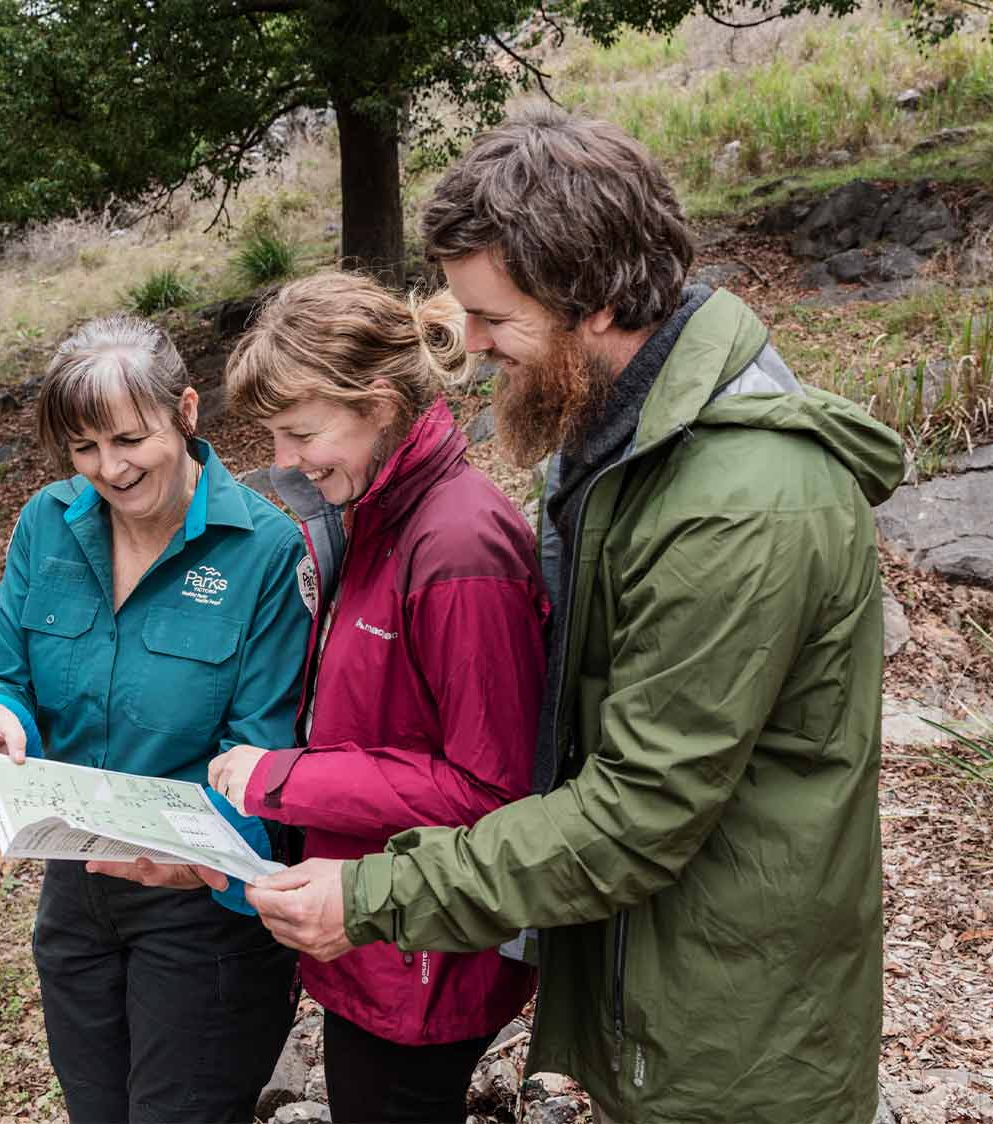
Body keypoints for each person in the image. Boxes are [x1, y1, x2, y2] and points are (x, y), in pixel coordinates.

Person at [244, 106, 906, 1124]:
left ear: (592, 298)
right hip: (668, 979)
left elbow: (636, 813)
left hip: (739, 1031)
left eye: (493, 318)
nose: (465, 345)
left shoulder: (735, 502)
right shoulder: (627, 441)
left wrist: (373, 894)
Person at [0, 315, 307, 1124]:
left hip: (200, 908)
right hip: (75, 894)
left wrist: (196, 857)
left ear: (188, 411)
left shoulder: (268, 551)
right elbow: (3, 672)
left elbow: (267, 749)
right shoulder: (46, 523)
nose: (111, 469)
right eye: (84, 449)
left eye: (130, 439)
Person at [203, 272, 545, 1124]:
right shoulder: (374, 516)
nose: (284, 462)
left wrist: (282, 780)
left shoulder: (459, 542)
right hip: (377, 931)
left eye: (301, 433)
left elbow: (488, 792)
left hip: (425, 959)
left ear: (379, 401)